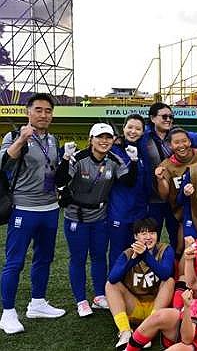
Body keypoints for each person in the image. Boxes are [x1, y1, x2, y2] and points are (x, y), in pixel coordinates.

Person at [56, 123, 138, 317]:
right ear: (91, 139)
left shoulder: (114, 159)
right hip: (76, 215)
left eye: (108, 137)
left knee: (99, 256)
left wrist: (133, 161)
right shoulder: (80, 158)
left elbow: (128, 181)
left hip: (100, 216)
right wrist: (66, 158)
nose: (104, 141)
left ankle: (100, 295)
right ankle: (81, 300)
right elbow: (60, 180)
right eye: (100, 137)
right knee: (78, 258)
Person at [0, 94, 65, 334]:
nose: (44, 115)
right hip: (23, 208)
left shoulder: (52, 139)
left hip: (50, 208)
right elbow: (2, 163)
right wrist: (21, 141)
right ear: (28, 112)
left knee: (44, 258)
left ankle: (37, 303)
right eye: (38, 110)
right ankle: (7, 313)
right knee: (14, 262)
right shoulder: (15, 135)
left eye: (48, 111)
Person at [144, 103, 197, 250]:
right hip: (152, 197)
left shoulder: (180, 135)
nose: (168, 119)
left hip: (176, 198)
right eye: (164, 116)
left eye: (170, 116)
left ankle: (176, 267)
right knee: (151, 236)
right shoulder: (144, 138)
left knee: (177, 237)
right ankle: (153, 268)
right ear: (152, 118)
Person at [106, 218, 175, 349]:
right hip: (135, 305)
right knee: (110, 286)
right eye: (144, 233)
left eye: (152, 233)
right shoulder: (128, 253)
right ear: (135, 236)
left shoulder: (165, 249)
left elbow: (166, 274)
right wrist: (134, 259)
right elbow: (113, 278)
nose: (148, 237)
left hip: (156, 308)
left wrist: (145, 256)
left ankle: (149, 330)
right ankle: (125, 331)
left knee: (169, 281)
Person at [109, 115, 153, 269]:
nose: (133, 131)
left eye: (138, 128)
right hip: (119, 211)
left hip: (140, 211)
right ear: (123, 128)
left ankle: (132, 286)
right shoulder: (114, 150)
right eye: (130, 127)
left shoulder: (142, 150)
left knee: (137, 250)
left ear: (143, 132)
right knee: (118, 251)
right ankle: (113, 286)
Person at [154, 128, 197, 252]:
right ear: (170, 145)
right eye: (176, 142)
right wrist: (160, 180)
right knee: (182, 248)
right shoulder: (165, 165)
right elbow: (164, 195)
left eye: (184, 141)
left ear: (190, 141)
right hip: (182, 213)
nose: (181, 145)